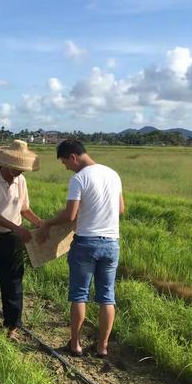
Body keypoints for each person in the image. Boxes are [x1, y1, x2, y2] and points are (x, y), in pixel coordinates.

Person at [37, 139, 124, 357]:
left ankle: (75, 344)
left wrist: (47, 223)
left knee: (79, 295)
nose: (66, 167)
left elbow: (70, 215)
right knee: (107, 296)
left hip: (86, 243)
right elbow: (121, 209)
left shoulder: (79, 178)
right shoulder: (113, 174)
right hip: (111, 243)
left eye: (65, 163)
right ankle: (102, 346)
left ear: (74, 157)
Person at [0, 140, 42, 340]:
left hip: (12, 238)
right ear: (5, 164)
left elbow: (24, 209)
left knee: (12, 282)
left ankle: (12, 326)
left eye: (22, 169)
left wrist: (39, 222)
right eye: (16, 168)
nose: (20, 172)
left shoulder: (21, 181)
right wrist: (17, 228)